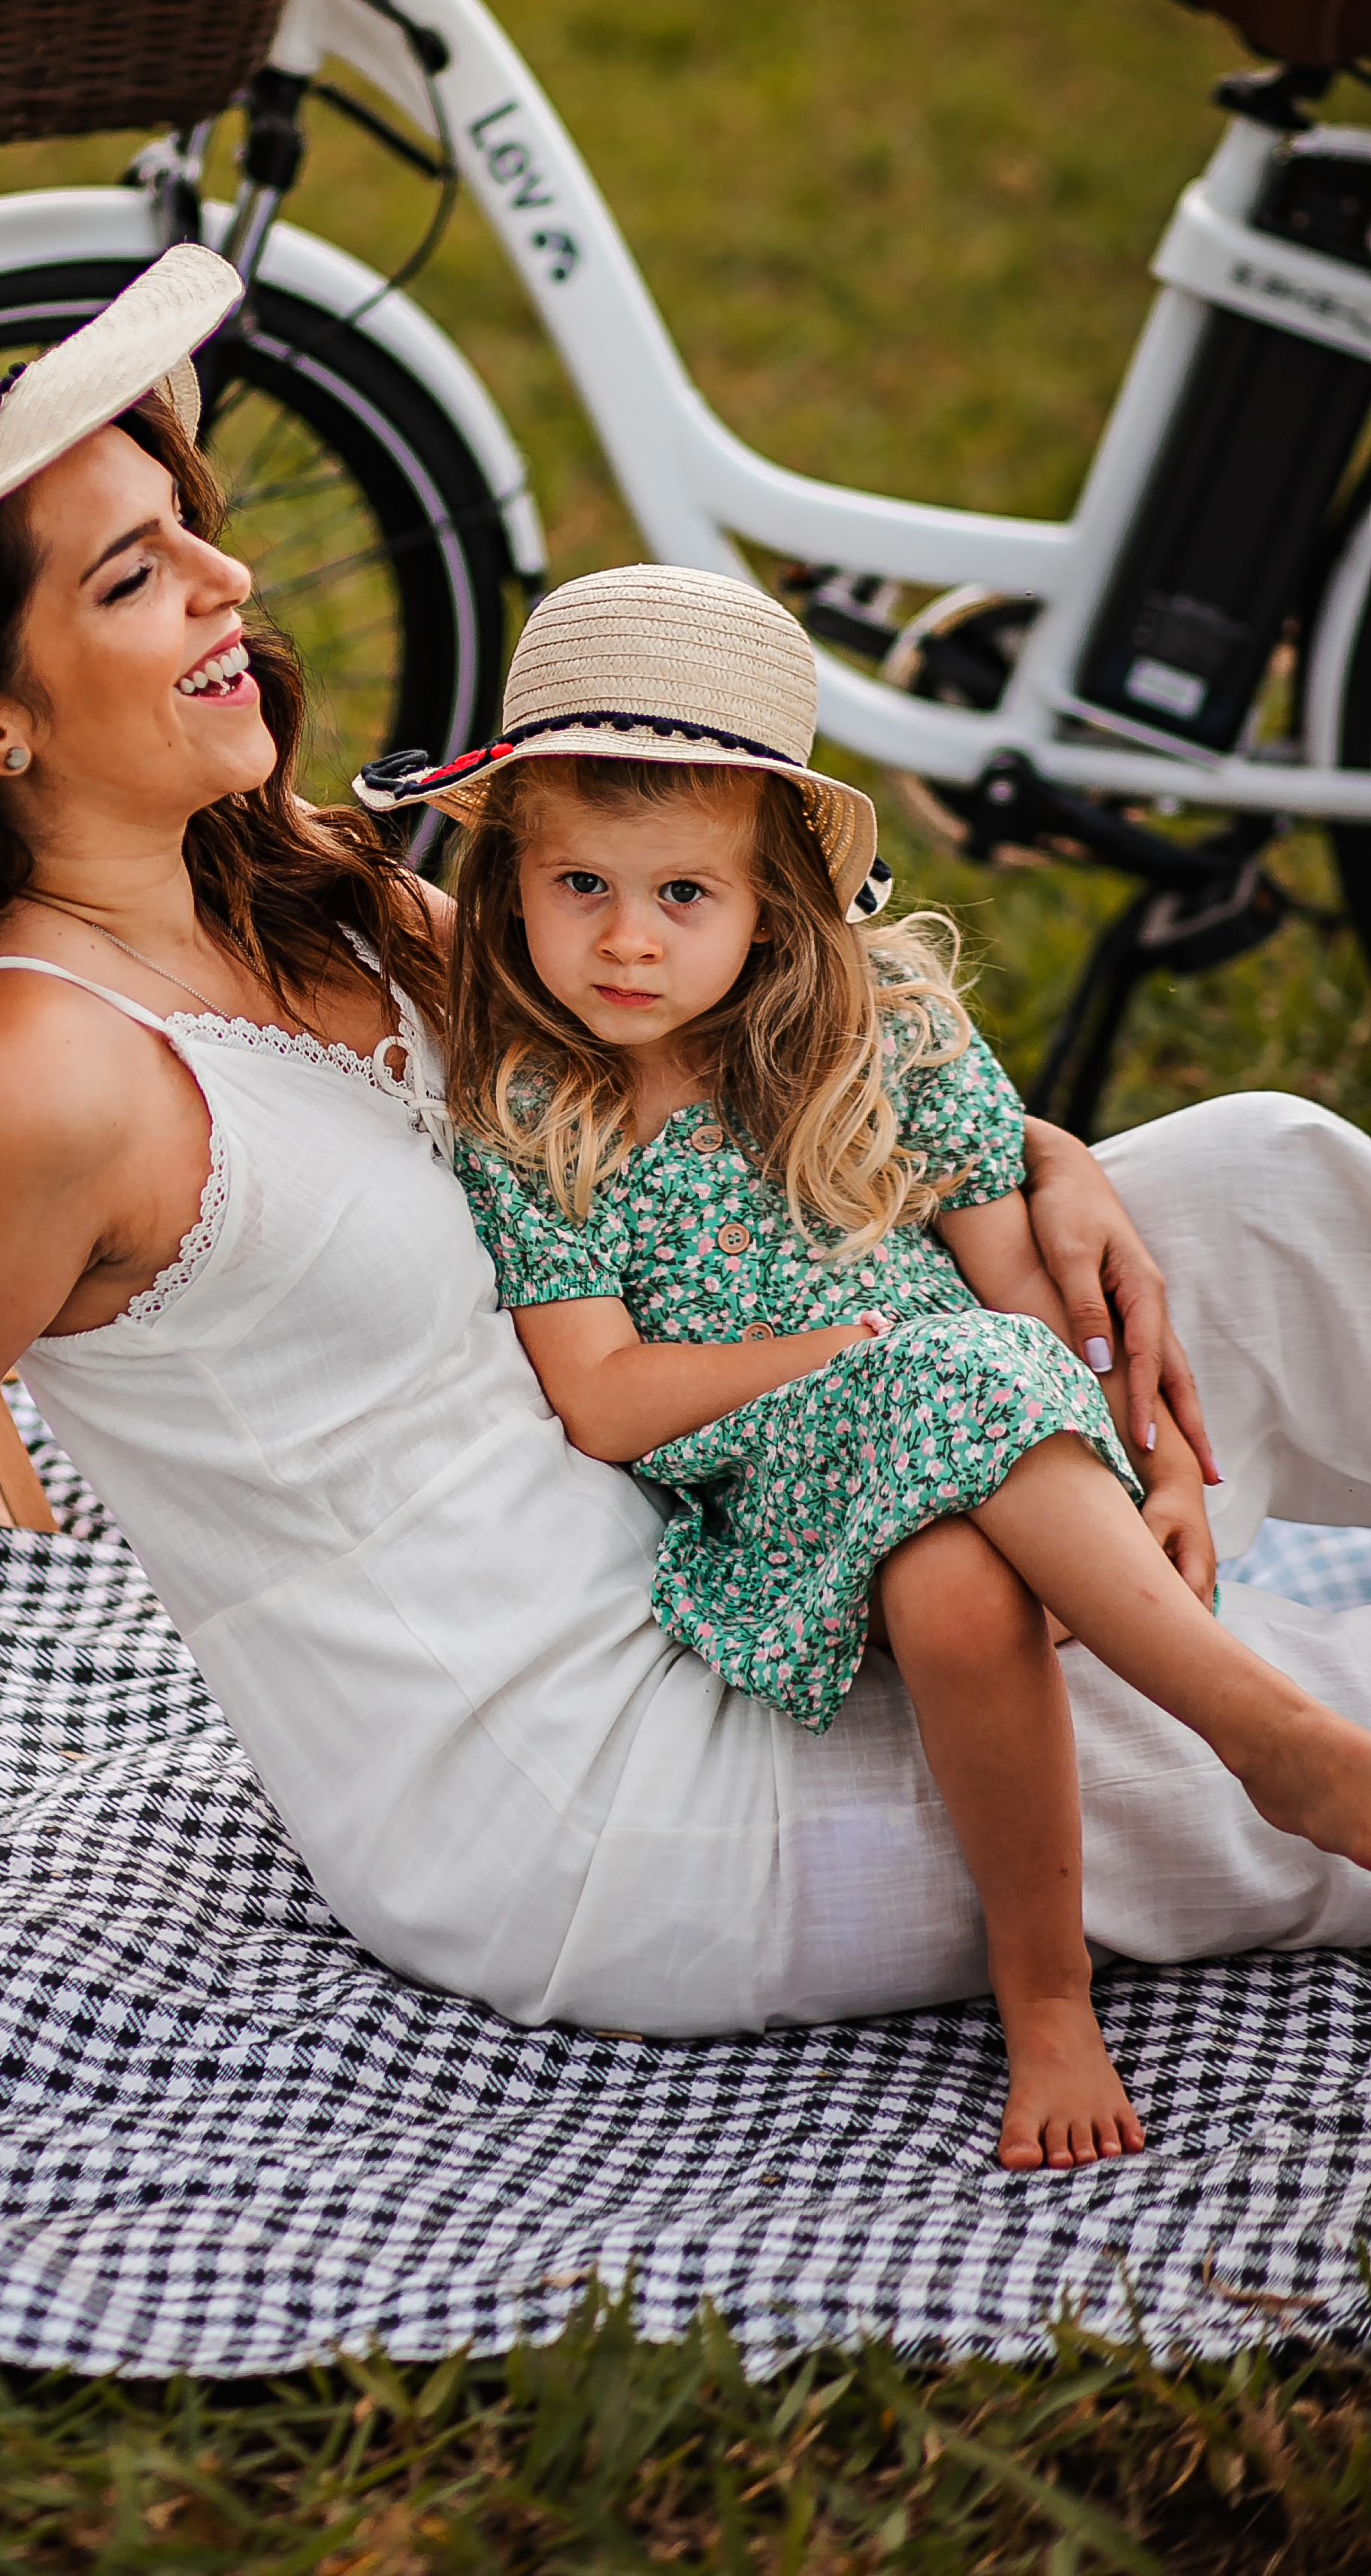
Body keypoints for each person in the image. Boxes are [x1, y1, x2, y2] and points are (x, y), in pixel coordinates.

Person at [0, 257, 1371, 2138]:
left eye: (190, 520)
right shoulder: (22, 1087)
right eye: (134, 576)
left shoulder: (297, 888)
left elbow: (702, 1042)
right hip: (595, 1789)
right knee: (1320, 1727)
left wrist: (1034, 1155)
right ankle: (1251, 1717)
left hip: (746, 1516)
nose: (228, 582)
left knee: (1267, 1174)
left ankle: (1190, 1604)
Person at [417, 565, 1371, 2171]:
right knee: (935, 1405)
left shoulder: (891, 1030)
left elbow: (1024, 1297)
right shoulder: (531, 1111)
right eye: (579, 884)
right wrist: (851, 1349)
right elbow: (604, 1396)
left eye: (682, 896)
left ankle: (1046, 1997)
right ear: (507, 872)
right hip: (774, 1508)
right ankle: (1269, 1737)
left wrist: (1169, 1469)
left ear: (774, 893)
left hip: (987, 1444)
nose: (627, 942)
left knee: (952, 1577)